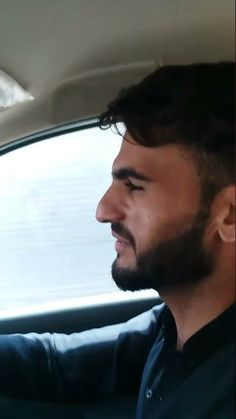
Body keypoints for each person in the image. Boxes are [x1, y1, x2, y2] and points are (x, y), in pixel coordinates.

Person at [0, 62, 235, 419]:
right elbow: (56, 365)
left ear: (229, 215)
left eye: (134, 186)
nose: (103, 210)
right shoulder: (174, 326)